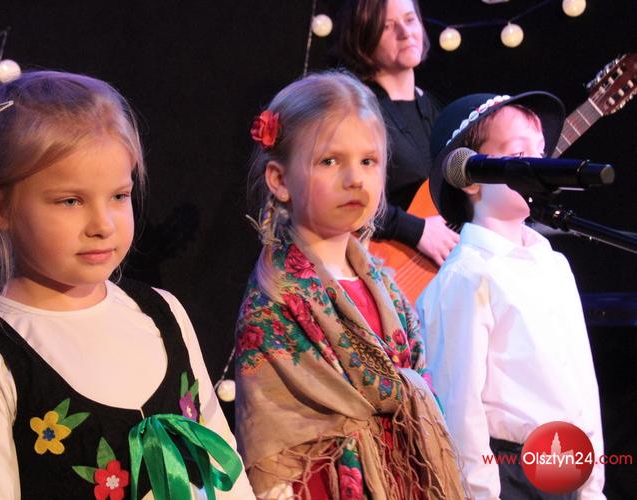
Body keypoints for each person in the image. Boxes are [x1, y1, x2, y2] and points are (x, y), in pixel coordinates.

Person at [0, 71, 254, 500]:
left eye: (119, 196)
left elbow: (221, 462)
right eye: (71, 201)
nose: (103, 225)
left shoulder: (162, 313)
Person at [235, 71, 465, 499]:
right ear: (280, 180)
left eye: (368, 161)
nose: (355, 178)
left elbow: (415, 385)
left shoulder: (387, 290)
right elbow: (273, 439)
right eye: (330, 161)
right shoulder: (276, 301)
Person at [417, 92, 605, 499]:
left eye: (541, 152)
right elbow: (460, 409)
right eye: (520, 154)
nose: (540, 166)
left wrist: (593, 486)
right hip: (510, 475)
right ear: (471, 177)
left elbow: (581, 382)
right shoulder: (468, 276)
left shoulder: (552, 264)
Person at [337, 0, 458, 267]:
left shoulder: (434, 107)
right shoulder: (357, 111)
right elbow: (341, 198)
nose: (405, 33)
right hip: (384, 269)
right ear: (363, 38)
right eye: (388, 26)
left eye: (410, 19)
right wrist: (417, 231)